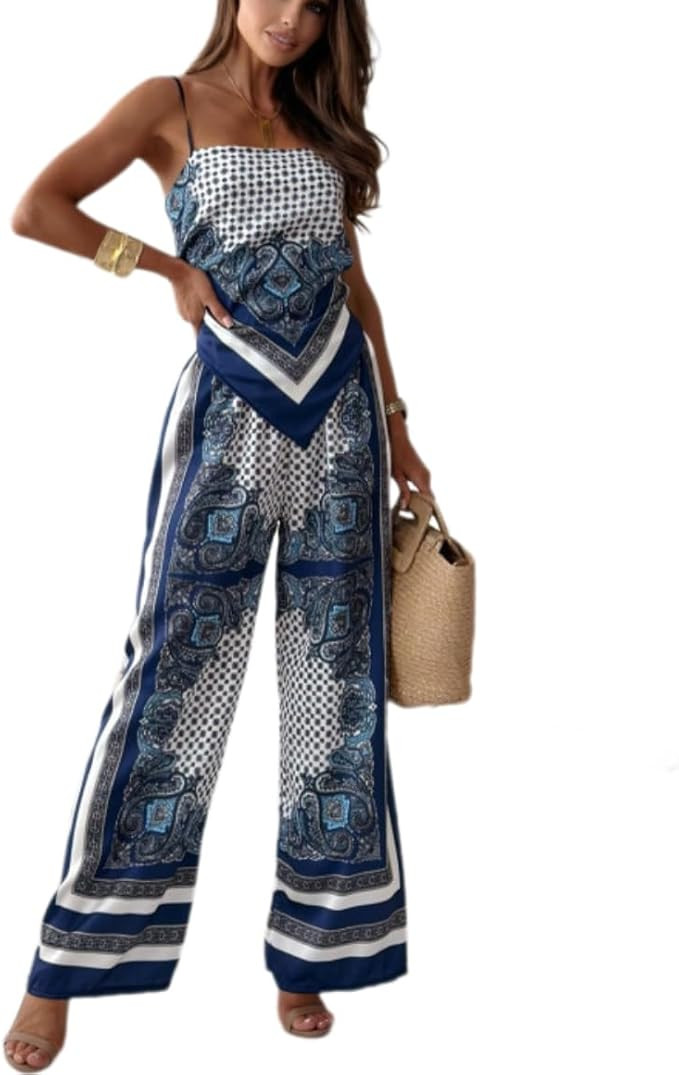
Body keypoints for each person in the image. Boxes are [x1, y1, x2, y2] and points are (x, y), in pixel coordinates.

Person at [4, 0, 434, 1065]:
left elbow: (353, 281)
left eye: (314, 3)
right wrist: (166, 270)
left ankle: (313, 950)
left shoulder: (325, 122)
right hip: (226, 423)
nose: (289, 16)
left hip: (340, 424)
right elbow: (39, 209)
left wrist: (397, 424)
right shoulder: (168, 104)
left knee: (334, 689)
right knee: (171, 679)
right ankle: (65, 964)